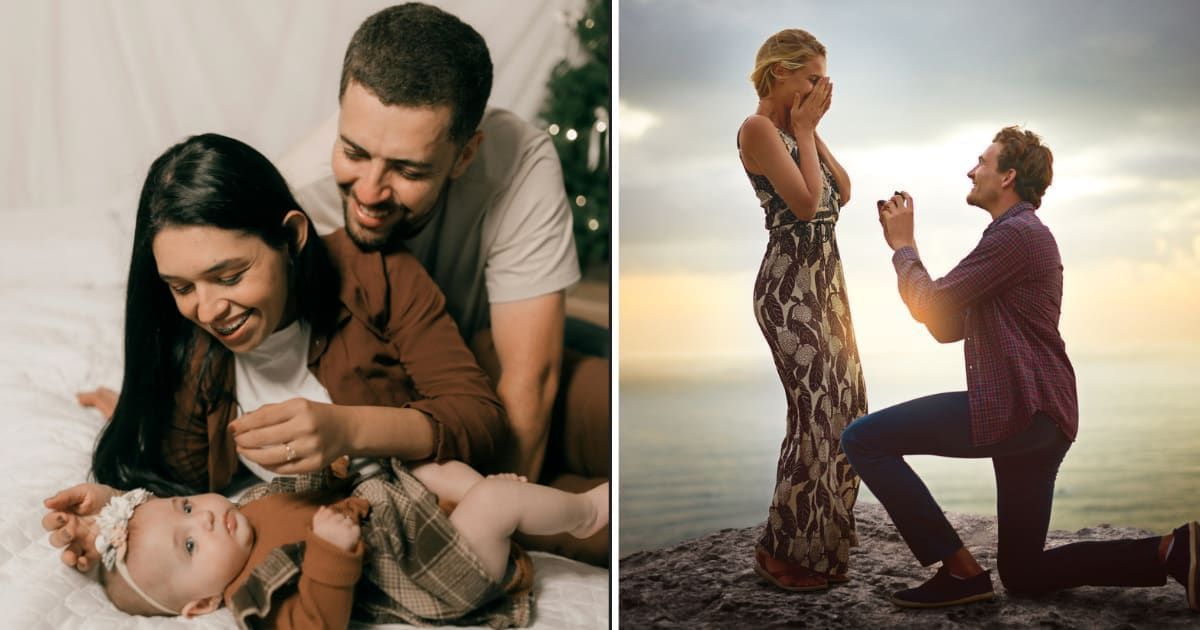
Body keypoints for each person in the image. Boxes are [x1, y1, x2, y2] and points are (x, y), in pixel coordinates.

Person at [43, 132, 508, 572]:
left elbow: (480, 417)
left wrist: (349, 429)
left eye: (229, 276)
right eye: (182, 287)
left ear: (291, 237)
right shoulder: (194, 354)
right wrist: (118, 515)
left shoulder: (378, 275)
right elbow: (181, 487)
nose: (208, 310)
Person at [842, 126, 1199, 610]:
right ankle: (1173, 551)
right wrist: (923, 283)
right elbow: (946, 325)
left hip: (1018, 408)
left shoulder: (1016, 236)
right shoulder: (1015, 238)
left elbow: (932, 304)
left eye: (982, 163)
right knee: (1025, 574)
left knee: (863, 438)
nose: (972, 170)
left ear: (1008, 176)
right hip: (1039, 416)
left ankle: (961, 572)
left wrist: (903, 248)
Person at [275, 2, 610, 496]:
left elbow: (530, 379)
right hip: (411, 405)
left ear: (464, 155)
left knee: (604, 406)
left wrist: (507, 515)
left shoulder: (519, 160)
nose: (368, 192)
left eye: (408, 170)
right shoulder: (299, 193)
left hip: (500, 348)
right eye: (354, 152)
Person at [85, 460, 608, 628]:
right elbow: (315, 622)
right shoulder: (252, 592)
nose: (205, 520)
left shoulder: (243, 507)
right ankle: (583, 515)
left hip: (404, 523)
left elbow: (297, 496)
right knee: (494, 502)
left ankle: (489, 506)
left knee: (435, 471)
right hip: (430, 572)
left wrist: (328, 472)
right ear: (200, 604)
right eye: (191, 548)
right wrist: (331, 556)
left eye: (185, 508)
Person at [735, 28, 867, 592]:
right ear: (779, 73)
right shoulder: (758, 128)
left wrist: (811, 130)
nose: (820, 88)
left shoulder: (795, 130)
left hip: (827, 289)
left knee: (851, 408)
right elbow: (809, 205)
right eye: (811, 77)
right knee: (815, 415)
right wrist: (805, 129)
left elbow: (843, 188)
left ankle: (822, 545)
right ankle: (783, 550)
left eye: (823, 78)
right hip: (789, 291)